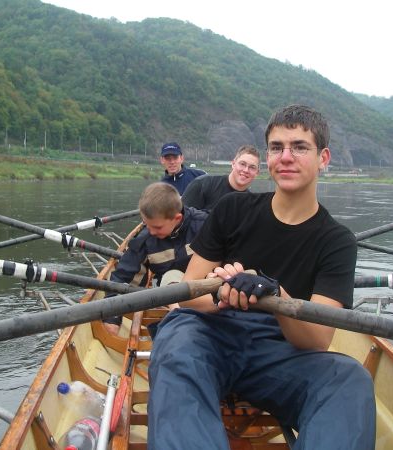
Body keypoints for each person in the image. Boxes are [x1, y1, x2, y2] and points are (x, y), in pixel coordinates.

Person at [148, 105, 376, 449]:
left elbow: (316, 341)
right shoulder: (232, 210)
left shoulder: (337, 241)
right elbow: (186, 293)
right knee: (176, 346)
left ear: (323, 158)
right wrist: (220, 292)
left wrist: (278, 296)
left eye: (299, 147)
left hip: (279, 348)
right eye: (276, 147)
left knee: (349, 379)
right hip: (209, 332)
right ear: (268, 157)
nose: (285, 157)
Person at [102, 182, 208, 336]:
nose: (150, 231)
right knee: (170, 279)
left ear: (177, 218)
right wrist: (112, 319)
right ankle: (183, 320)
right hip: (168, 293)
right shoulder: (145, 239)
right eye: (146, 224)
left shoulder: (205, 225)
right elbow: (122, 279)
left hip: (205, 289)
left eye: (157, 227)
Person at [182, 144, 260, 211]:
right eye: (242, 164)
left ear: (257, 173)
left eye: (252, 167)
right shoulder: (203, 185)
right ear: (233, 164)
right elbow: (181, 219)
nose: (246, 170)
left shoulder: (252, 204)